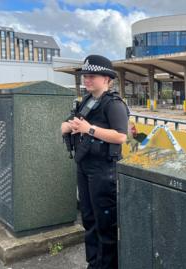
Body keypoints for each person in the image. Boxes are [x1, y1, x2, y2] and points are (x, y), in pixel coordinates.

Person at [61, 55, 129, 269]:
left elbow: (121, 136)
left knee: (105, 223)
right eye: (85, 76)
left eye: (92, 76)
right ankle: (94, 264)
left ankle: (107, 265)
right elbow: (73, 122)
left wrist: (89, 129)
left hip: (104, 170)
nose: (87, 80)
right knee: (89, 219)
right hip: (85, 165)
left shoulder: (114, 104)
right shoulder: (86, 101)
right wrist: (66, 126)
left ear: (107, 79)